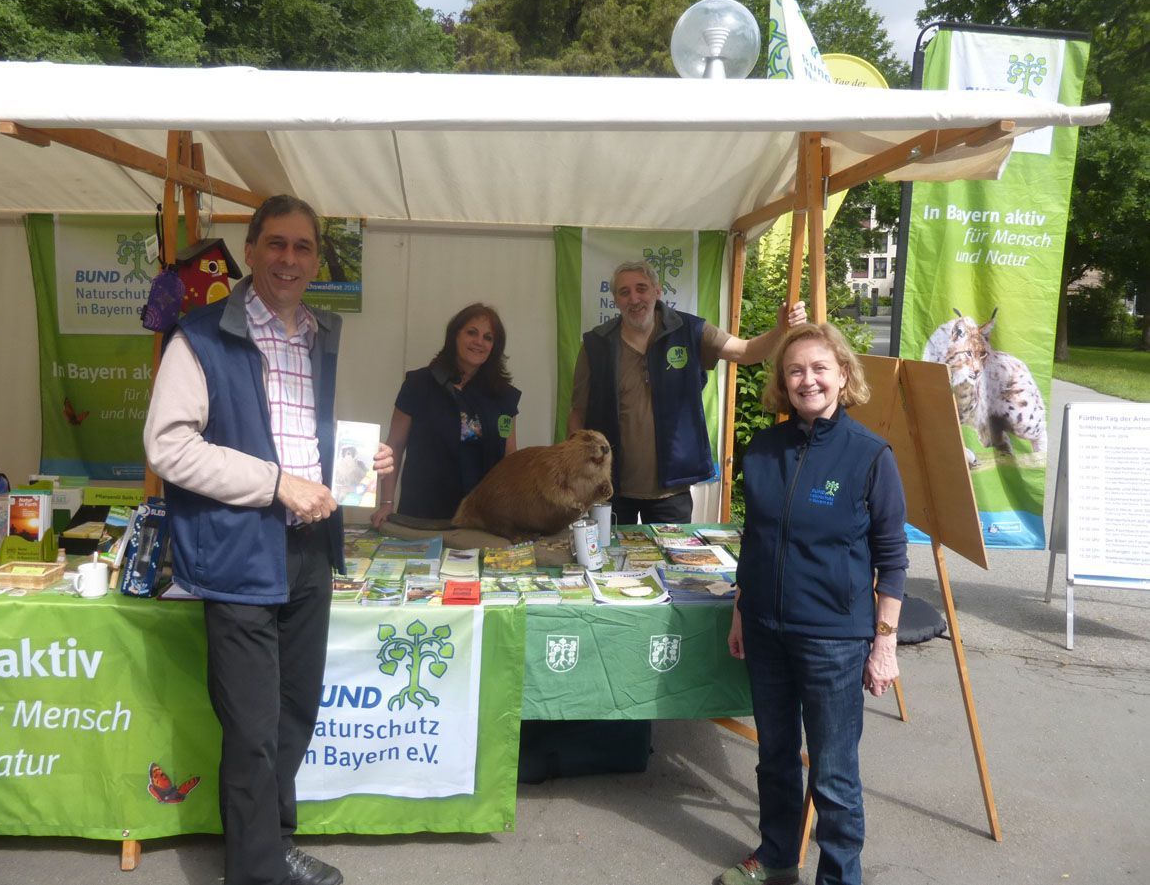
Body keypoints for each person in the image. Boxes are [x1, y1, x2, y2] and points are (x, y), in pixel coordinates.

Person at [145, 195, 393, 885]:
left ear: (316, 260)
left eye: (303, 246)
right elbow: (168, 446)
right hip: (237, 553)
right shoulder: (199, 337)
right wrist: (277, 484)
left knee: (293, 712)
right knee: (252, 728)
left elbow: (298, 435)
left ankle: (273, 847)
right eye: (276, 243)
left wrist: (355, 462)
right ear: (250, 250)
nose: (289, 258)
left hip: (308, 549)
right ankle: (255, 873)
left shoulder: (318, 332)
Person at [722, 322, 907, 885]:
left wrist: (884, 644)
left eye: (820, 368)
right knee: (775, 756)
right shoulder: (763, 450)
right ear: (783, 382)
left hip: (833, 640)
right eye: (795, 370)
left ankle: (839, 876)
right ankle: (777, 856)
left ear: (843, 375)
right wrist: (740, 609)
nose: (808, 380)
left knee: (833, 772)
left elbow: (893, 558)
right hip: (766, 629)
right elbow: (755, 539)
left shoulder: (870, 456)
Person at [567, 260, 806, 524]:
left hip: (673, 487)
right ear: (615, 300)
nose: (634, 298)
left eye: (641, 288)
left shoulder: (690, 330)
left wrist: (781, 330)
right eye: (624, 292)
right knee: (609, 551)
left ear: (657, 291)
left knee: (674, 552)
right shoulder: (596, 344)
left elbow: (746, 352)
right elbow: (578, 414)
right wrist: (579, 471)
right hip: (609, 486)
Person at [370, 303, 520, 527]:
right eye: (472, 332)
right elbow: (395, 446)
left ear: (494, 346)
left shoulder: (503, 396)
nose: (479, 342)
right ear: (455, 336)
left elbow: (510, 457)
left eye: (488, 337)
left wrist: (514, 510)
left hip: (483, 516)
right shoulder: (418, 384)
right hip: (423, 513)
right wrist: (386, 503)